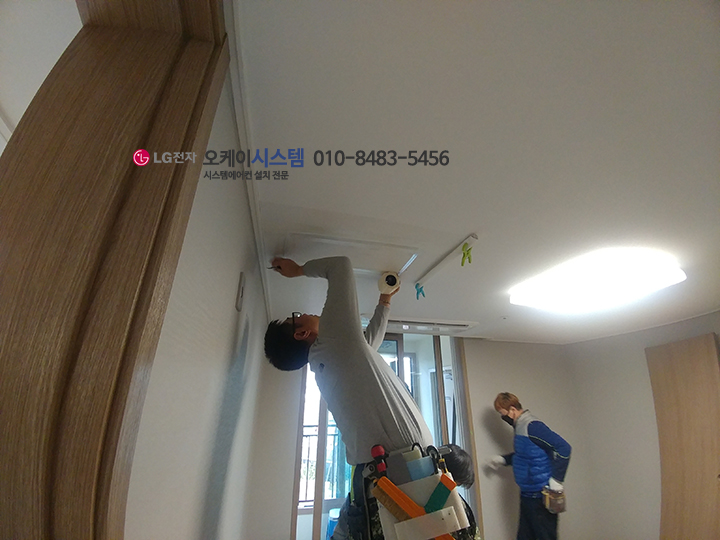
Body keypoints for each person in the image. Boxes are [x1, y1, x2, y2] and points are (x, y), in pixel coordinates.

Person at [264, 256, 480, 540]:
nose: (304, 313)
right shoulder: (330, 344)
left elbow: (368, 344)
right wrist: (298, 270)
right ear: (301, 333)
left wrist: (384, 302)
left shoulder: (330, 359)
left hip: (387, 473)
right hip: (401, 472)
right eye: (296, 316)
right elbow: (340, 266)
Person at [486, 392, 571, 540]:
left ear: (512, 410)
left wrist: (557, 479)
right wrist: (503, 460)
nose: (503, 417)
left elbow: (564, 448)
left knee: (545, 536)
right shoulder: (520, 427)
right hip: (527, 495)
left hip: (540, 496)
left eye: (502, 413)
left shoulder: (533, 426)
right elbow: (526, 455)